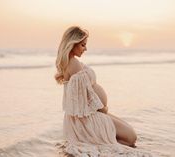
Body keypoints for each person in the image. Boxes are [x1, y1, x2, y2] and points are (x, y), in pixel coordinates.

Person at [54, 26, 146, 157]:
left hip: (91, 112)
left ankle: (103, 141)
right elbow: (82, 99)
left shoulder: (72, 62)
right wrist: (101, 109)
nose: (85, 48)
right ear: (72, 44)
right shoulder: (73, 64)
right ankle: (99, 143)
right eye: (82, 45)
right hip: (87, 117)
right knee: (130, 137)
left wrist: (102, 109)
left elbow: (82, 94)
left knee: (129, 133)